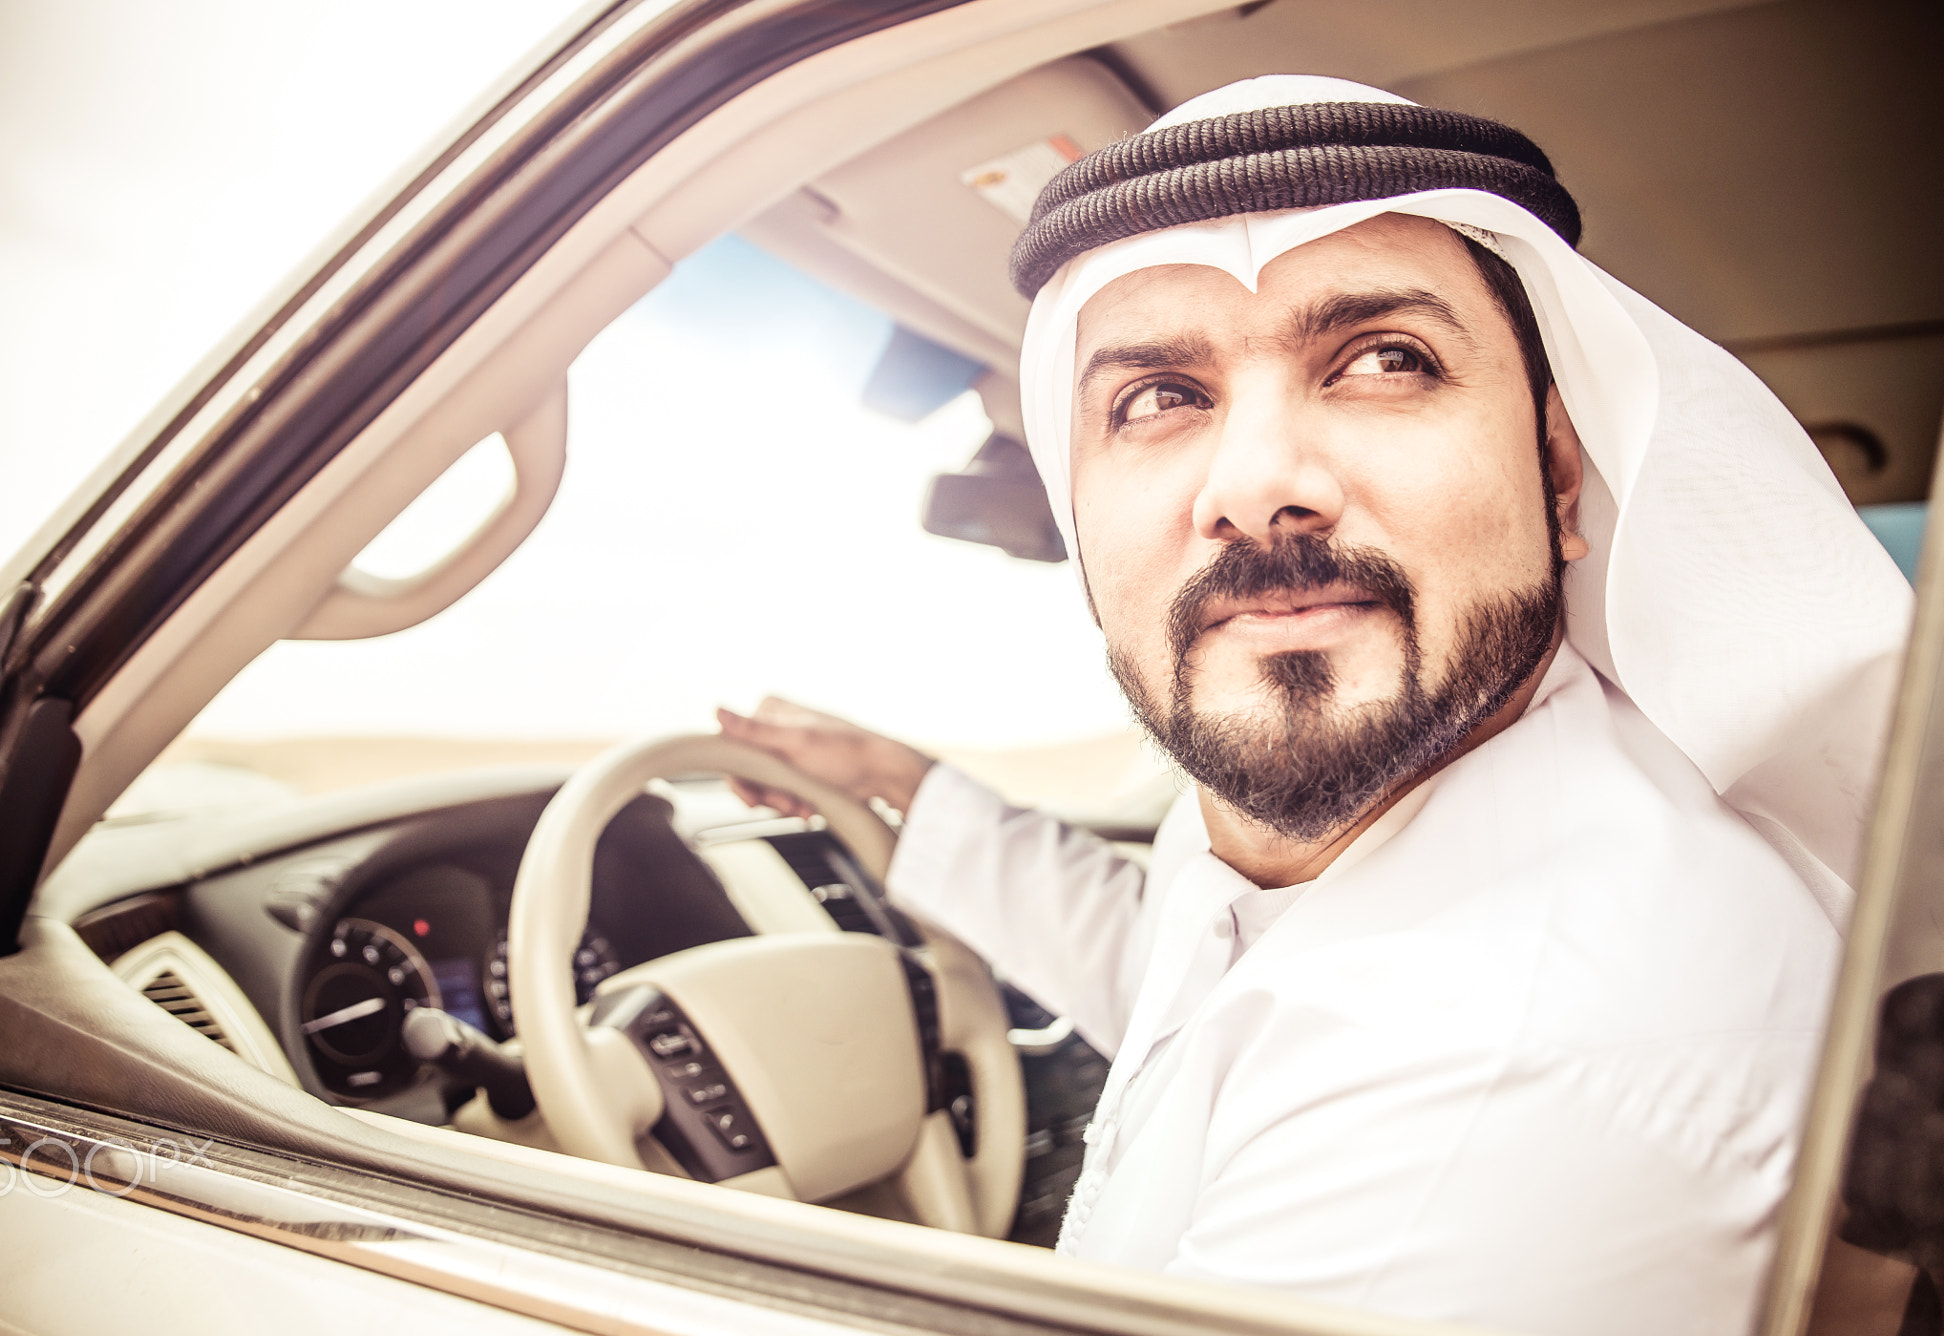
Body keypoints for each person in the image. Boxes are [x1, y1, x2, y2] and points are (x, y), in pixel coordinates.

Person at [719, 75, 1912, 1336]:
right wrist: (908, 788)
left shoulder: (1504, 1069)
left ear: (1559, 477)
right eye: (1158, 398)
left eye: (1383, 361)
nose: (1253, 486)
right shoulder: (1360, 815)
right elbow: (1186, 979)